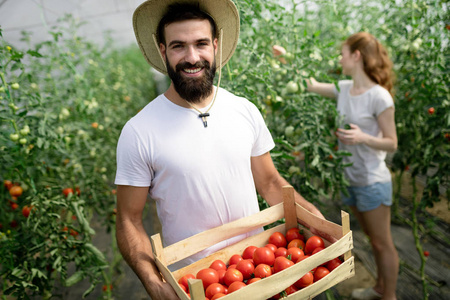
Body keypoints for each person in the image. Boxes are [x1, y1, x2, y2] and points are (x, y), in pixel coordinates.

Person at [114, 0, 324, 299]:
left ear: (215, 45)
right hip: (196, 283)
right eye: (178, 46)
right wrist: (151, 280)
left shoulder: (243, 110)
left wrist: (314, 218)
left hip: (258, 268)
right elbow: (128, 219)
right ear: (163, 51)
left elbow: (269, 182)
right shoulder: (139, 131)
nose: (192, 57)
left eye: (201, 43)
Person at [306, 32, 399, 300]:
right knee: (372, 239)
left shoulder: (380, 97)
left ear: (356, 56)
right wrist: (285, 58)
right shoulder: (344, 88)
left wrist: (363, 138)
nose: (340, 58)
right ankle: (380, 288)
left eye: (343, 53)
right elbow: (311, 85)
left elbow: (392, 143)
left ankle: (389, 295)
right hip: (349, 179)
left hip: (372, 181)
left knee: (382, 243)